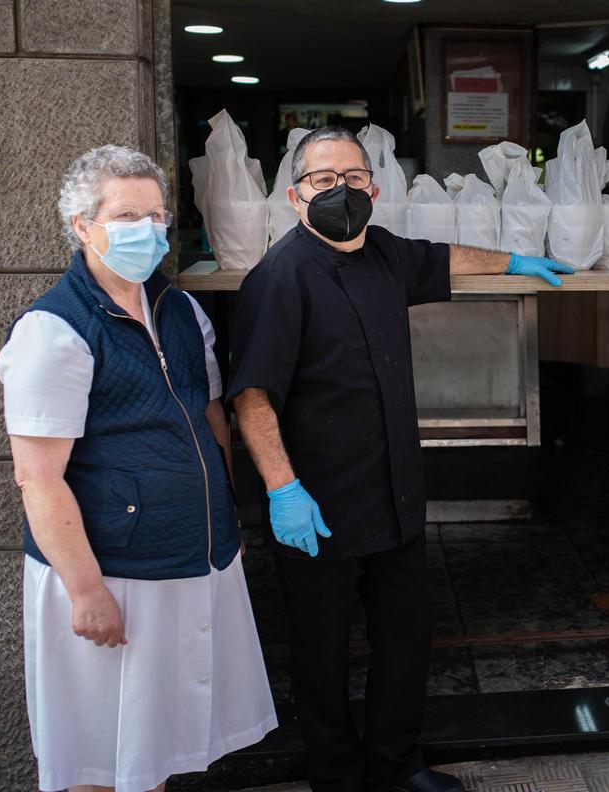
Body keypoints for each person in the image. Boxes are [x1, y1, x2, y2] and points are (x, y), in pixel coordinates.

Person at [228, 125, 572, 792]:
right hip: (318, 504)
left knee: (406, 639)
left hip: (394, 494)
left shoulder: (384, 251)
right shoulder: (279, 277)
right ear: (296, 196)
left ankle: (397, 766)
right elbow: (252, 397)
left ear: (375, 188)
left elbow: (444, 257)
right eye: (323, 179)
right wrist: (281, 489)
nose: (341, 189)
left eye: (353, 177)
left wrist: (515, 260)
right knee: (322, 653)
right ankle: (336, 777)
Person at [0, 145, 277, 792]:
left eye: (156, 215)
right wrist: (86, 591)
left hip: (191, 559)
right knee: (101, 750)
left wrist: (225, 514)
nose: (148, 230)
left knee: (158, 746)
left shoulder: (180, 309)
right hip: (113, 574)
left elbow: (210, 416)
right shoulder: (52, 331)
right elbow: (38, 478)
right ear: (82, 225)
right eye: (127, 215)